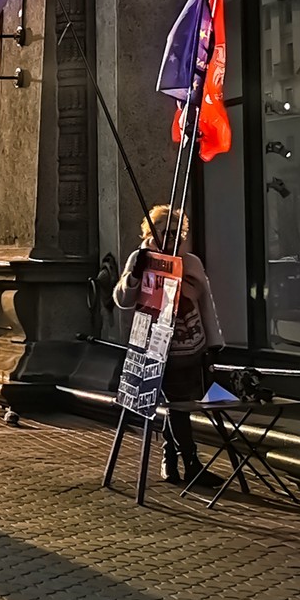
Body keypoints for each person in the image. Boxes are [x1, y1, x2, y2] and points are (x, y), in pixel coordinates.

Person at [113, 204, 224, 486]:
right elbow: (123, 300)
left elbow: (206, 304)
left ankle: (170, 459)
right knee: (178, 406)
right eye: (165, 232)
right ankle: (190, 462)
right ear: (152, 233)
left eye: (177, 232)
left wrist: (214, 342)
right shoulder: (140, 257)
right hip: (157, 347)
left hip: (192, 346)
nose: (171, 237)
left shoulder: (191, 262)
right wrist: (134, 275)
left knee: (179, 405)